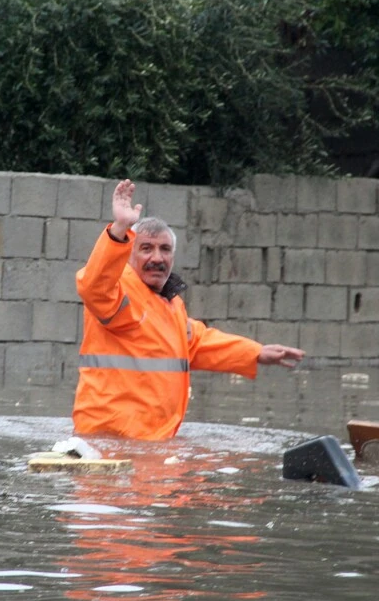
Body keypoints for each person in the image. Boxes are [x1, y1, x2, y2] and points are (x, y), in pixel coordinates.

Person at [73, 179, 305, 440]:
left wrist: (256, 352)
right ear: (128, 254)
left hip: (149, 442)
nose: (157, 258)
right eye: (146, 248)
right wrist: (118, 231)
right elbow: (94, 286)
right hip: (111, 442)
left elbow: (199, 343)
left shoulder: (170, 305)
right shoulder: (120, 290)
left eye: (165, 249)